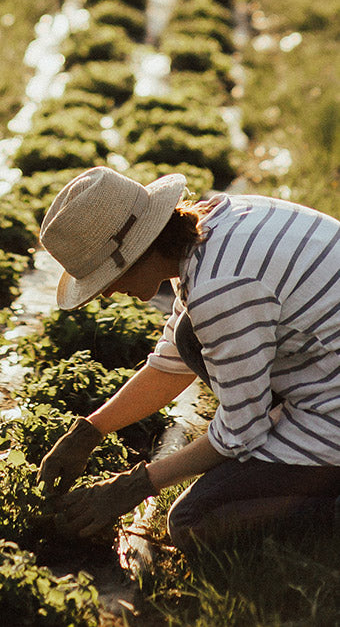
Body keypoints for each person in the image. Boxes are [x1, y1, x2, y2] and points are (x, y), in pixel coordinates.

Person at [36, 165, 340, 553]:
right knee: (187, 337)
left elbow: (240, 432)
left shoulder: (220, 288)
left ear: (137, 253)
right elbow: (172, 360)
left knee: (193, 524)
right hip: (325, 367)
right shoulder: (213, 226)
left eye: (103, 278)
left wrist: (136, 485)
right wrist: (89, 432)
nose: (108, 293)